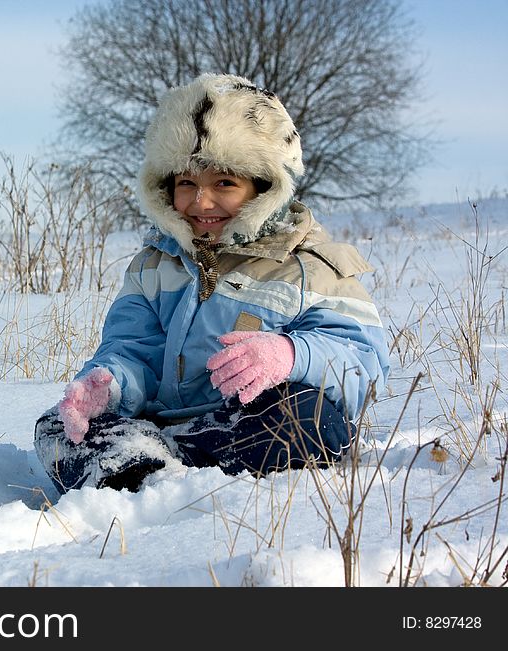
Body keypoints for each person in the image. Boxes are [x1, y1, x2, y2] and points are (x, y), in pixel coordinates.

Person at [34, 73, 390, 493]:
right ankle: (144, 468)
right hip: (157, 426)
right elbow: (132, 349)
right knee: (58, 426)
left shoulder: (310, 266)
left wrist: (291, 354)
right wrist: (109, 385)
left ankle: (157, 471)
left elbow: (363, 361)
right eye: (187, 183)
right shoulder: (153, 264)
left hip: (242, 425)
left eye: (224, 183)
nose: (201, 202)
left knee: (308, 417)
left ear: (264, 188)